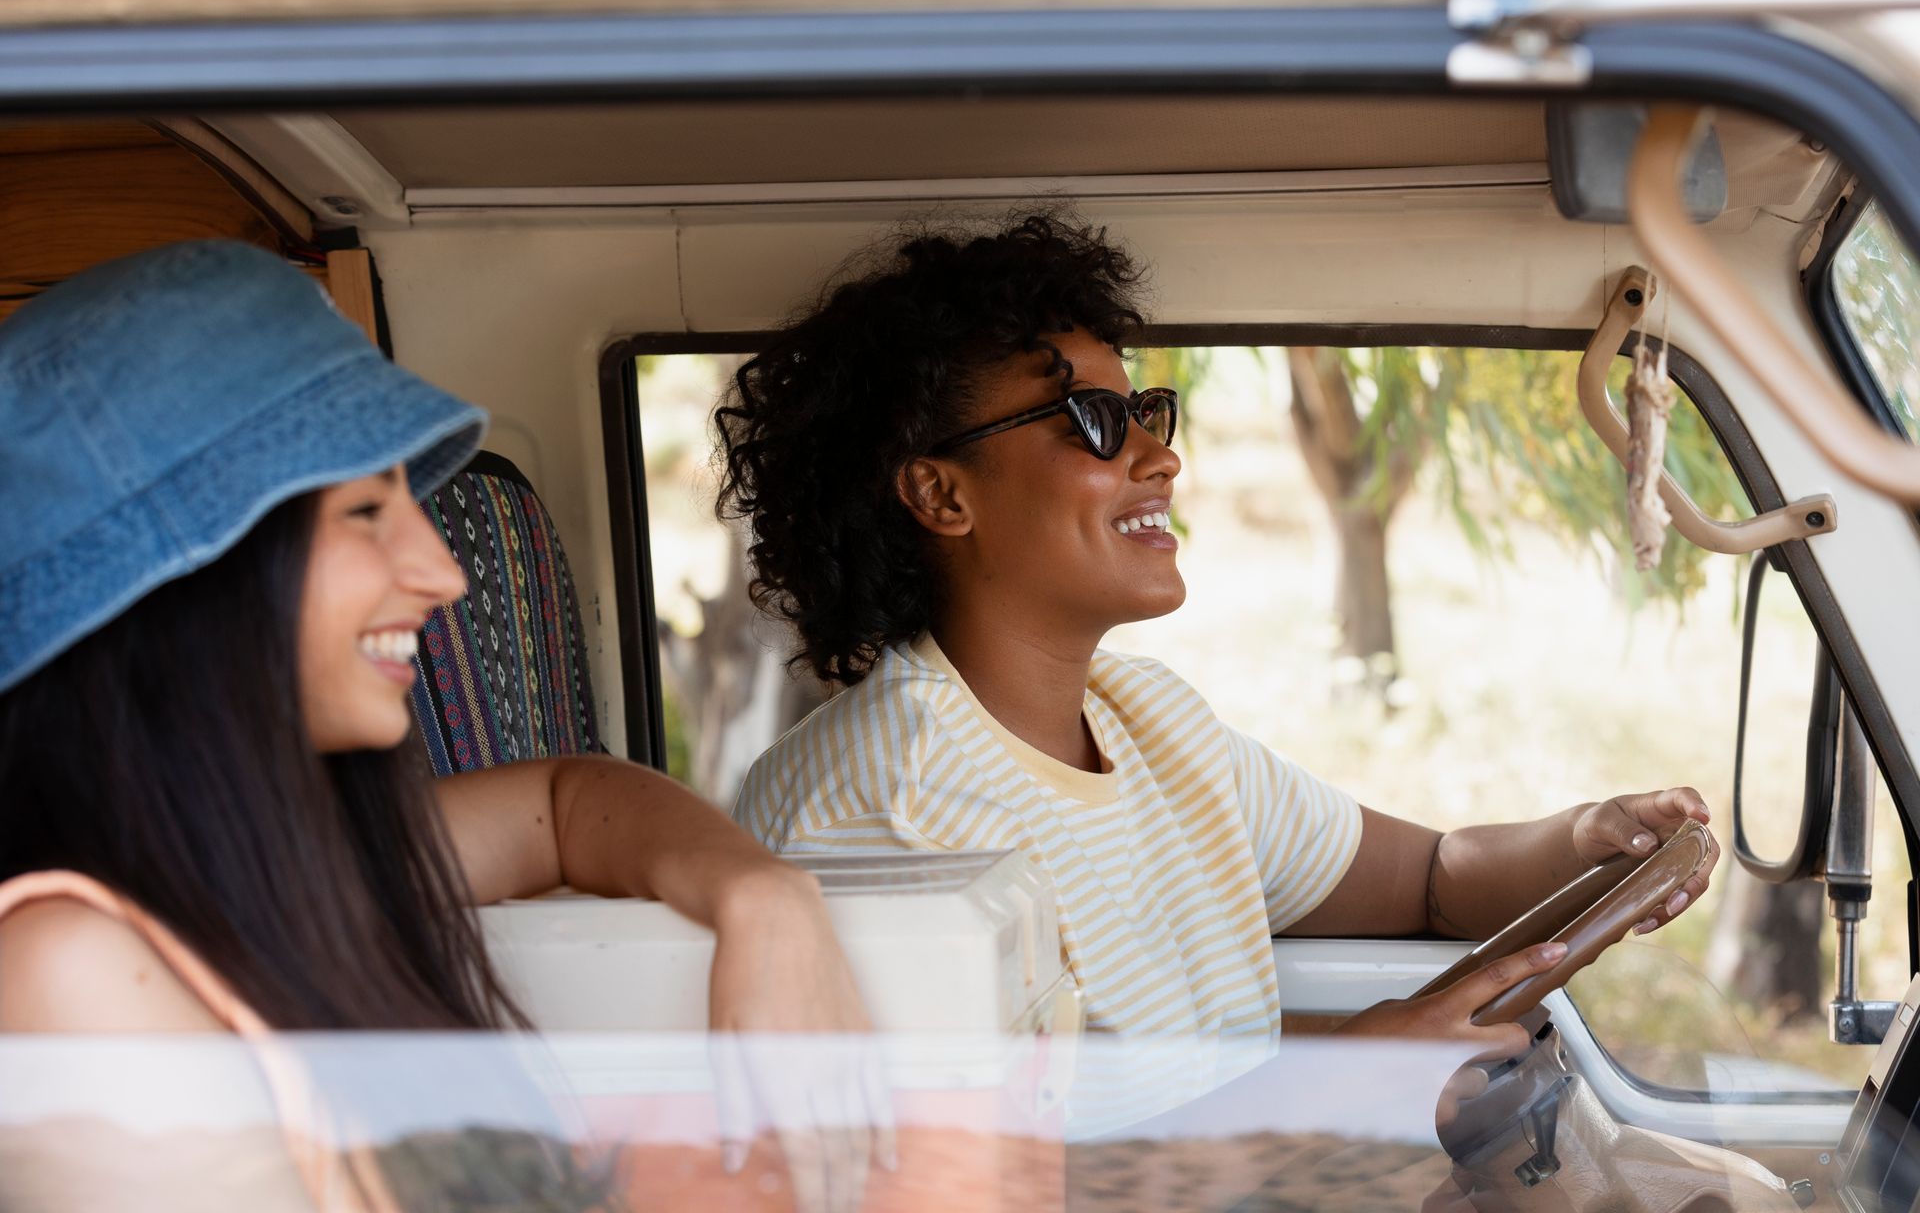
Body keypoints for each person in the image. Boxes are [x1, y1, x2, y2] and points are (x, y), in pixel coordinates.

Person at [0, 240, 887, 1213]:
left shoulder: (287, 859)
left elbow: (563, 797)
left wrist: (765, 898)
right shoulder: (65, 973)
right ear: (181, 582)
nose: (443, 570)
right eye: (367, 511)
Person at [719, 210, 1720, 1058]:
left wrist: (1585, 836)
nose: (1163, 458)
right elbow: (995, 1176)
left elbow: (1432, 875)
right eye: (1094, 420)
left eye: (1149, 411)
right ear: (940, 491)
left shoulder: (1148, 716)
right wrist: (1353, 1067)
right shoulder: (878, 813)